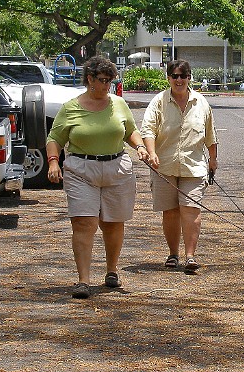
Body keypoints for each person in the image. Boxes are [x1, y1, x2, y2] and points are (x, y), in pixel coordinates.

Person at [46, 56, 149, 299]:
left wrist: (141, 147)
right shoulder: (71, 107)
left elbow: (131, 131)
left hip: (116, 167)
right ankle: (83, 280)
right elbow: (55, 139)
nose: (106, 86)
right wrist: (53, 162)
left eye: (110, 81)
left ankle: (112, 270)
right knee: (84, 222)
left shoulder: (118, 104)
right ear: (89, 79)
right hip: (82, 169)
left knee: (113, 222)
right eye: (102, 81)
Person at [140, 59, 218, 272]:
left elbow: (210, 135)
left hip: (194, 166)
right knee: (171, 211)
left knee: (191, 208)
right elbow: (147, 130)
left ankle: (190, 256)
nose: (179, 80)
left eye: (183, 76)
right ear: (168, 78)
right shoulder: (158, 102)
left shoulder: (201, 103)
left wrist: (213, 159)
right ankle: (173, 254)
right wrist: (152, 152)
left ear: (189, 78)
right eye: (174, 76)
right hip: (163, 166)